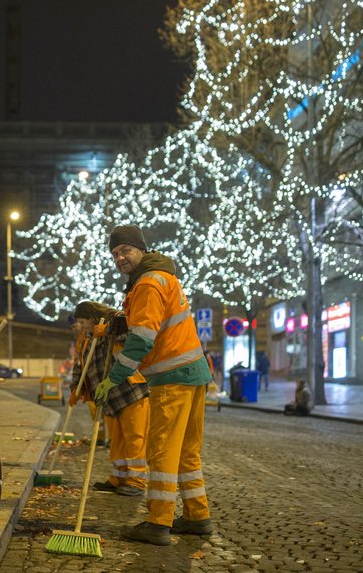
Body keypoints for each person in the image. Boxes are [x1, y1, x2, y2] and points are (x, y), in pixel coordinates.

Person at [94, 225, 213, 546]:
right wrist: (120, 321)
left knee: (161, 451)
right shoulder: (159, 278)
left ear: (141, 250)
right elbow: (150, 323)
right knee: (188, 451)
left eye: (125, 250)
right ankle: (197, 516)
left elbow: (143, 339)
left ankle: (157, 522)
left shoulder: (147, 283)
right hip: (194, 373)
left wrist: (114, 378)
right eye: (115, 253)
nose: (120, 257)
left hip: (173, 377)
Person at [69, 299, 150, 497]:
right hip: (107, 398)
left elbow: (126, 328)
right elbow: (81, 365)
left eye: (83, 321)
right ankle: (119, 477)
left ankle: (137, 480)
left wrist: (106, 330)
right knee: (116, 440)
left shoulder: (115, 324)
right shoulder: (87, 338)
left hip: (129, 393)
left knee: (135, 438)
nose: (81, 326)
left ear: (93, 317)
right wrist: (75, 388)